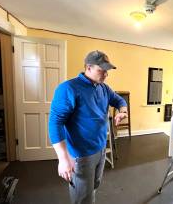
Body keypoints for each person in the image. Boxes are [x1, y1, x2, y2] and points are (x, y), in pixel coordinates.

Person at [49, 50, 128, 204]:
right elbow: (55, 123)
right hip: (81, 155)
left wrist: (122, 112)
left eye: (107, 71)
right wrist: (63, 158)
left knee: (93, 187)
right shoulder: (68, 88)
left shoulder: (103, 87)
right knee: (82, 197)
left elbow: (119, 100)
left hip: (100, 148)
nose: (105, 74)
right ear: (88, 67)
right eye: (101, 70)